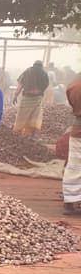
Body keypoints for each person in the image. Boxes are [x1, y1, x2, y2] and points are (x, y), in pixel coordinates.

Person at [12, 61, 50, 138]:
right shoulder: (44, 73)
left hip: (27, 98)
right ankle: (33, 134)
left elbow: (20, 85)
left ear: (33, 65)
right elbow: (46, 85)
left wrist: (15, 95)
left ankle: (18, 133)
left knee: (22, 116)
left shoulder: (27, 72)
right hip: (38, 98)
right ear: (41, 66)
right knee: (35, 116)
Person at [63, 79, 81, 215]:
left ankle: (69, 202)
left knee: (74, 166)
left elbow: (72, 104)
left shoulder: (73, 85)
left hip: (77, 129)